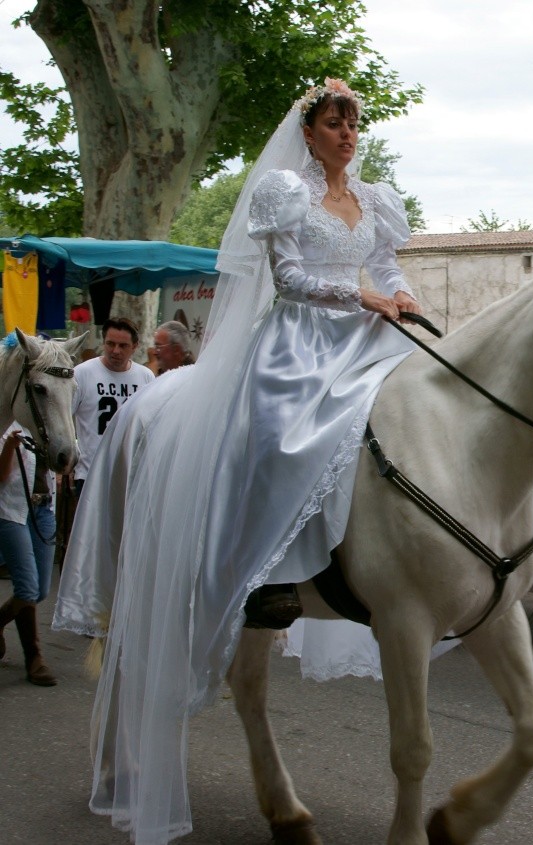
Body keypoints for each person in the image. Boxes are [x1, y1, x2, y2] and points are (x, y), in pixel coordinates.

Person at [53, 77, 421, 843]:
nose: (348, 134)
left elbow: (386, 270)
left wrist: (402, 298)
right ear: (309, 131)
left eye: (354, 124)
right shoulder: (286, 192)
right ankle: (269, 576)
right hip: (293, 342)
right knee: (280, 431)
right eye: (334, 122)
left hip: (359, 338)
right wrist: (363, 301)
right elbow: (286, 278)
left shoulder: (375, 199)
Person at [71, 317, 154, 497]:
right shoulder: (82, 374)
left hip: (131, 475)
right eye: (110, 344)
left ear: (135, 346)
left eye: (123, 346)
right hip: (91, 474)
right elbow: (64, 418)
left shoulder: (145, 377)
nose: (115, 351)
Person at [0, 425, 57, 686]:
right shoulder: (5, 424)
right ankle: (34, 659)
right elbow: (2, 477)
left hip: (43, 509)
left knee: (41, 590)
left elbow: (64, 464)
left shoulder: (49, 422)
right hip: (11, 510)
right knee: (27, 588)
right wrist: (10, 447)